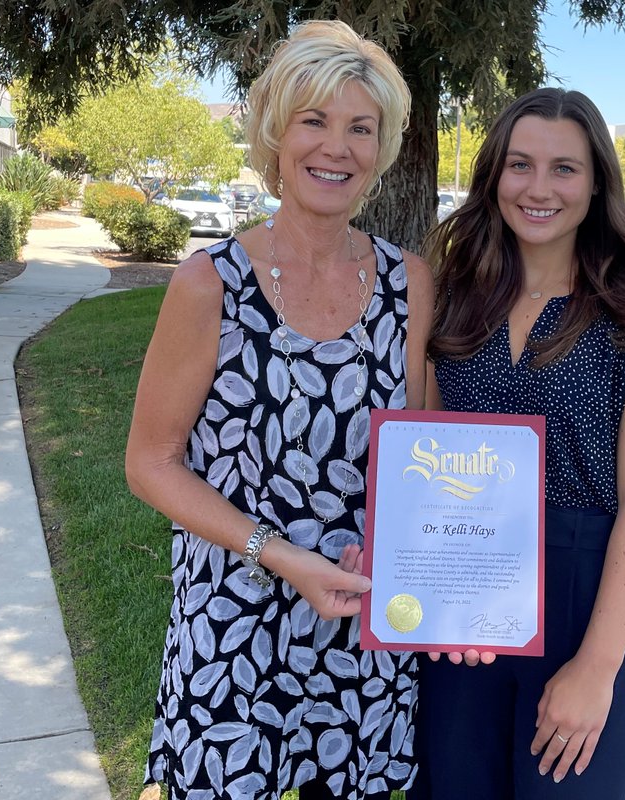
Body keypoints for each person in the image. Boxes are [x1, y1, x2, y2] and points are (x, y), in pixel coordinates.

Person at [125, 20, 432, 800]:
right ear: (275, 134)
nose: (338, 147)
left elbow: (422, 457)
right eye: (315, 121)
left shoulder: (412, 284)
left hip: (362, 625)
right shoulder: (210, 284)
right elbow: (150, 463)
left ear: (382, 145)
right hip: (234, 626)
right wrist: (278, 554)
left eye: (361, 127)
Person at [411, 87, 625, 799]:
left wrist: (596, 668)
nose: (538, 188)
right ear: (494, 176)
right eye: (520, 165)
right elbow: (417, 454)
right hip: (462, 604)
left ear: (597, 180)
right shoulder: (450, 299)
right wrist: (415, 580)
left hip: (582, 603)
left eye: (564, 169)